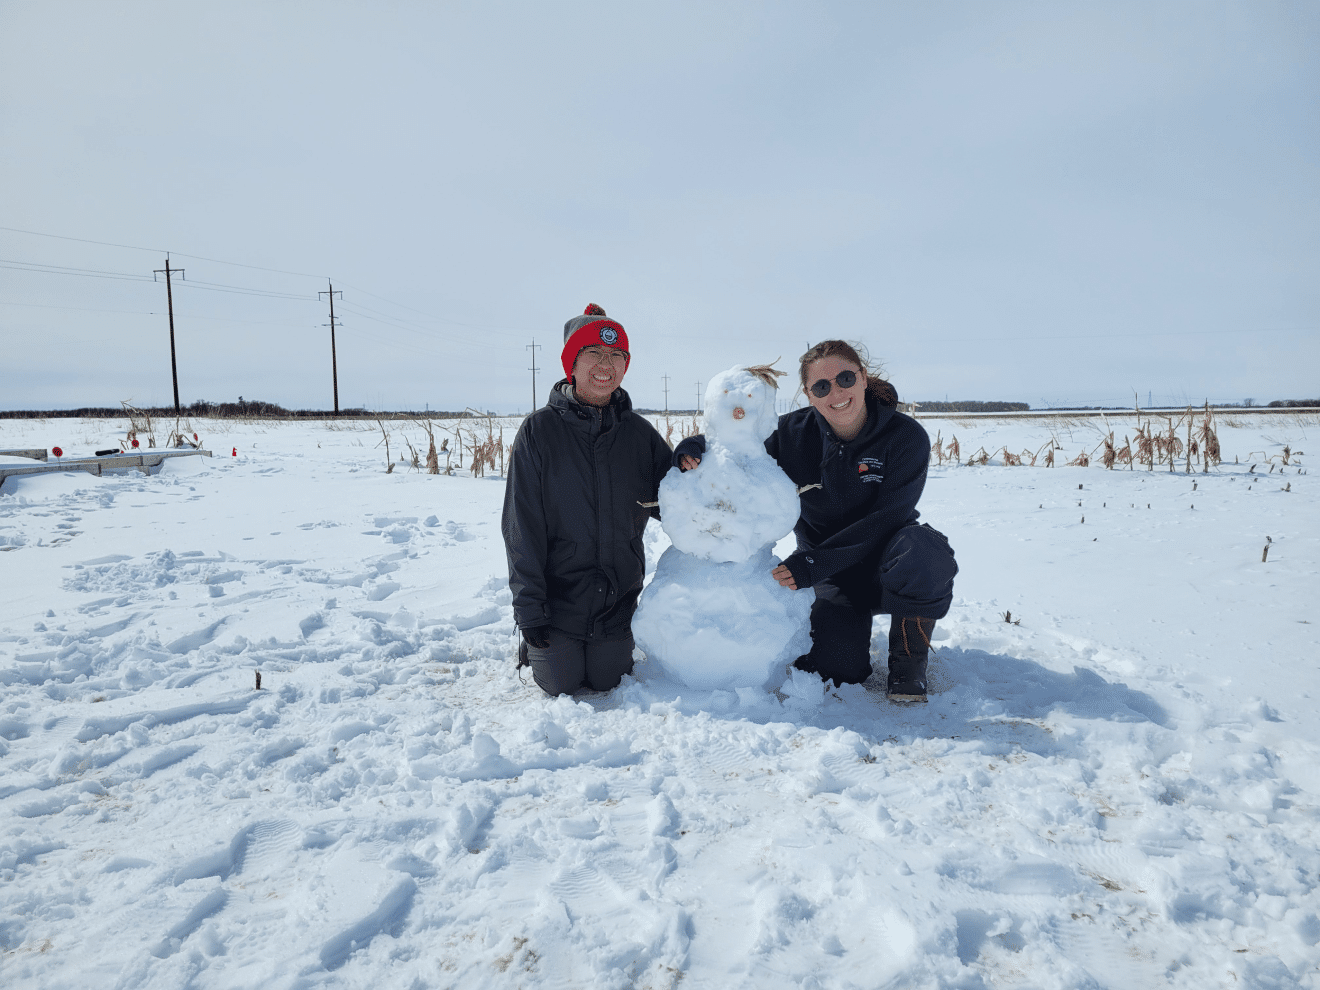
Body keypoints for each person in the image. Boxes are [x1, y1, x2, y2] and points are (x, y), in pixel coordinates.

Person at [675, 340, 957, 701]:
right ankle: (844, 635)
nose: (836, 393)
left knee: (924, 550)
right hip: (830, 575)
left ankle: (908, 663)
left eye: (845, 378)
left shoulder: (904, 437)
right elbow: (737, 445)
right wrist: (696, 447)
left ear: (863, 378)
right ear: (809, 395)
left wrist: (812, 562)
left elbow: (889, 517)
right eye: (821, 387)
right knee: (840, 670)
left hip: (886, 564)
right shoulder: (791, 435)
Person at [502, 304, 673, 696]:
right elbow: (520, 527)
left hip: (617, 604)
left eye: (616, 356)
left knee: (606, 679)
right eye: (593, 353)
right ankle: (537, 647)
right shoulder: (539, 431)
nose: (605, 364)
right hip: (556, 606)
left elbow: (680, 499)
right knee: (558, 683)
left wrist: (694, 453)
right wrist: (530, 611)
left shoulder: (639, 434)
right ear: (572, 365)